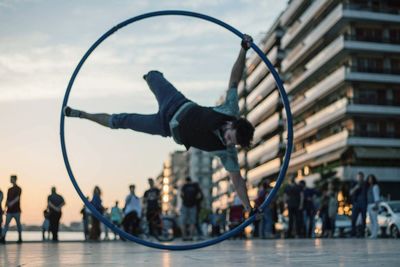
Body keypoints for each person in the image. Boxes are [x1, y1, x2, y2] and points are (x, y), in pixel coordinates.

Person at [64, 35, 256, 213]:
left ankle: (82, 114)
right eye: (231, 137)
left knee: (122, 121)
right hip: (175, 102)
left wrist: (249, 208)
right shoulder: (230, 110)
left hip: (164, 126)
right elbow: (234, 80)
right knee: (153, 75)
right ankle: (148, 77)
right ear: (233, 125)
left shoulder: (227, 153)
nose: (229, 142)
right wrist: (243, 49)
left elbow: (238, 182)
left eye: (234, 143)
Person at [1, 175, 23, 244]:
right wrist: (5, 208)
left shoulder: (19, 189)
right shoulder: (9, 189)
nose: (10, 180)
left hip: (16, 210)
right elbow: (7, 199)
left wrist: (11, 203)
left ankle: (20, 238)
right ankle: (3, 237)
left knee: (18, 224)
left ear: (15, 179)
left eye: (11, 179)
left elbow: (17, 198)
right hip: (9, 211)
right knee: (6, 224)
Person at [180, 177, 201, 241]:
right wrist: (195, 201)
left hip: (185, 205)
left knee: (183, 221)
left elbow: (181, 194)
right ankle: (191, 236)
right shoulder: (195, 186)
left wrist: (185, 199)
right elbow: (199, 195)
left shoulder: (184, 186)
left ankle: (184, 236)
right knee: (192, 221)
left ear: (186, 181)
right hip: (193, 205)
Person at [350, 172, 368, 237]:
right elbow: (351, 193)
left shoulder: (366, 184)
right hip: (356, 204)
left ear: (363, 177)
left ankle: (362, 233)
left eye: (361, 177)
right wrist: (356, 187)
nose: (360, 178)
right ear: (357, 177)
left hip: (363, 204)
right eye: (358, 177)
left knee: (363, 219)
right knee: (353, 219)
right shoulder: (354, 184)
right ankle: (353, 233)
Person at [367, 174, 380, 239]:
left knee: (374, 220)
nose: (370, 180)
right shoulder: (369, 187)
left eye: (371, 179)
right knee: (371, 220)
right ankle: (373, 233)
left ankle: (375, 234)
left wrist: (376, 205)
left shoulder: (375, 186)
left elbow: (376, 196)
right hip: (369, 205)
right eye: (369, 179)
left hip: (373, 204)